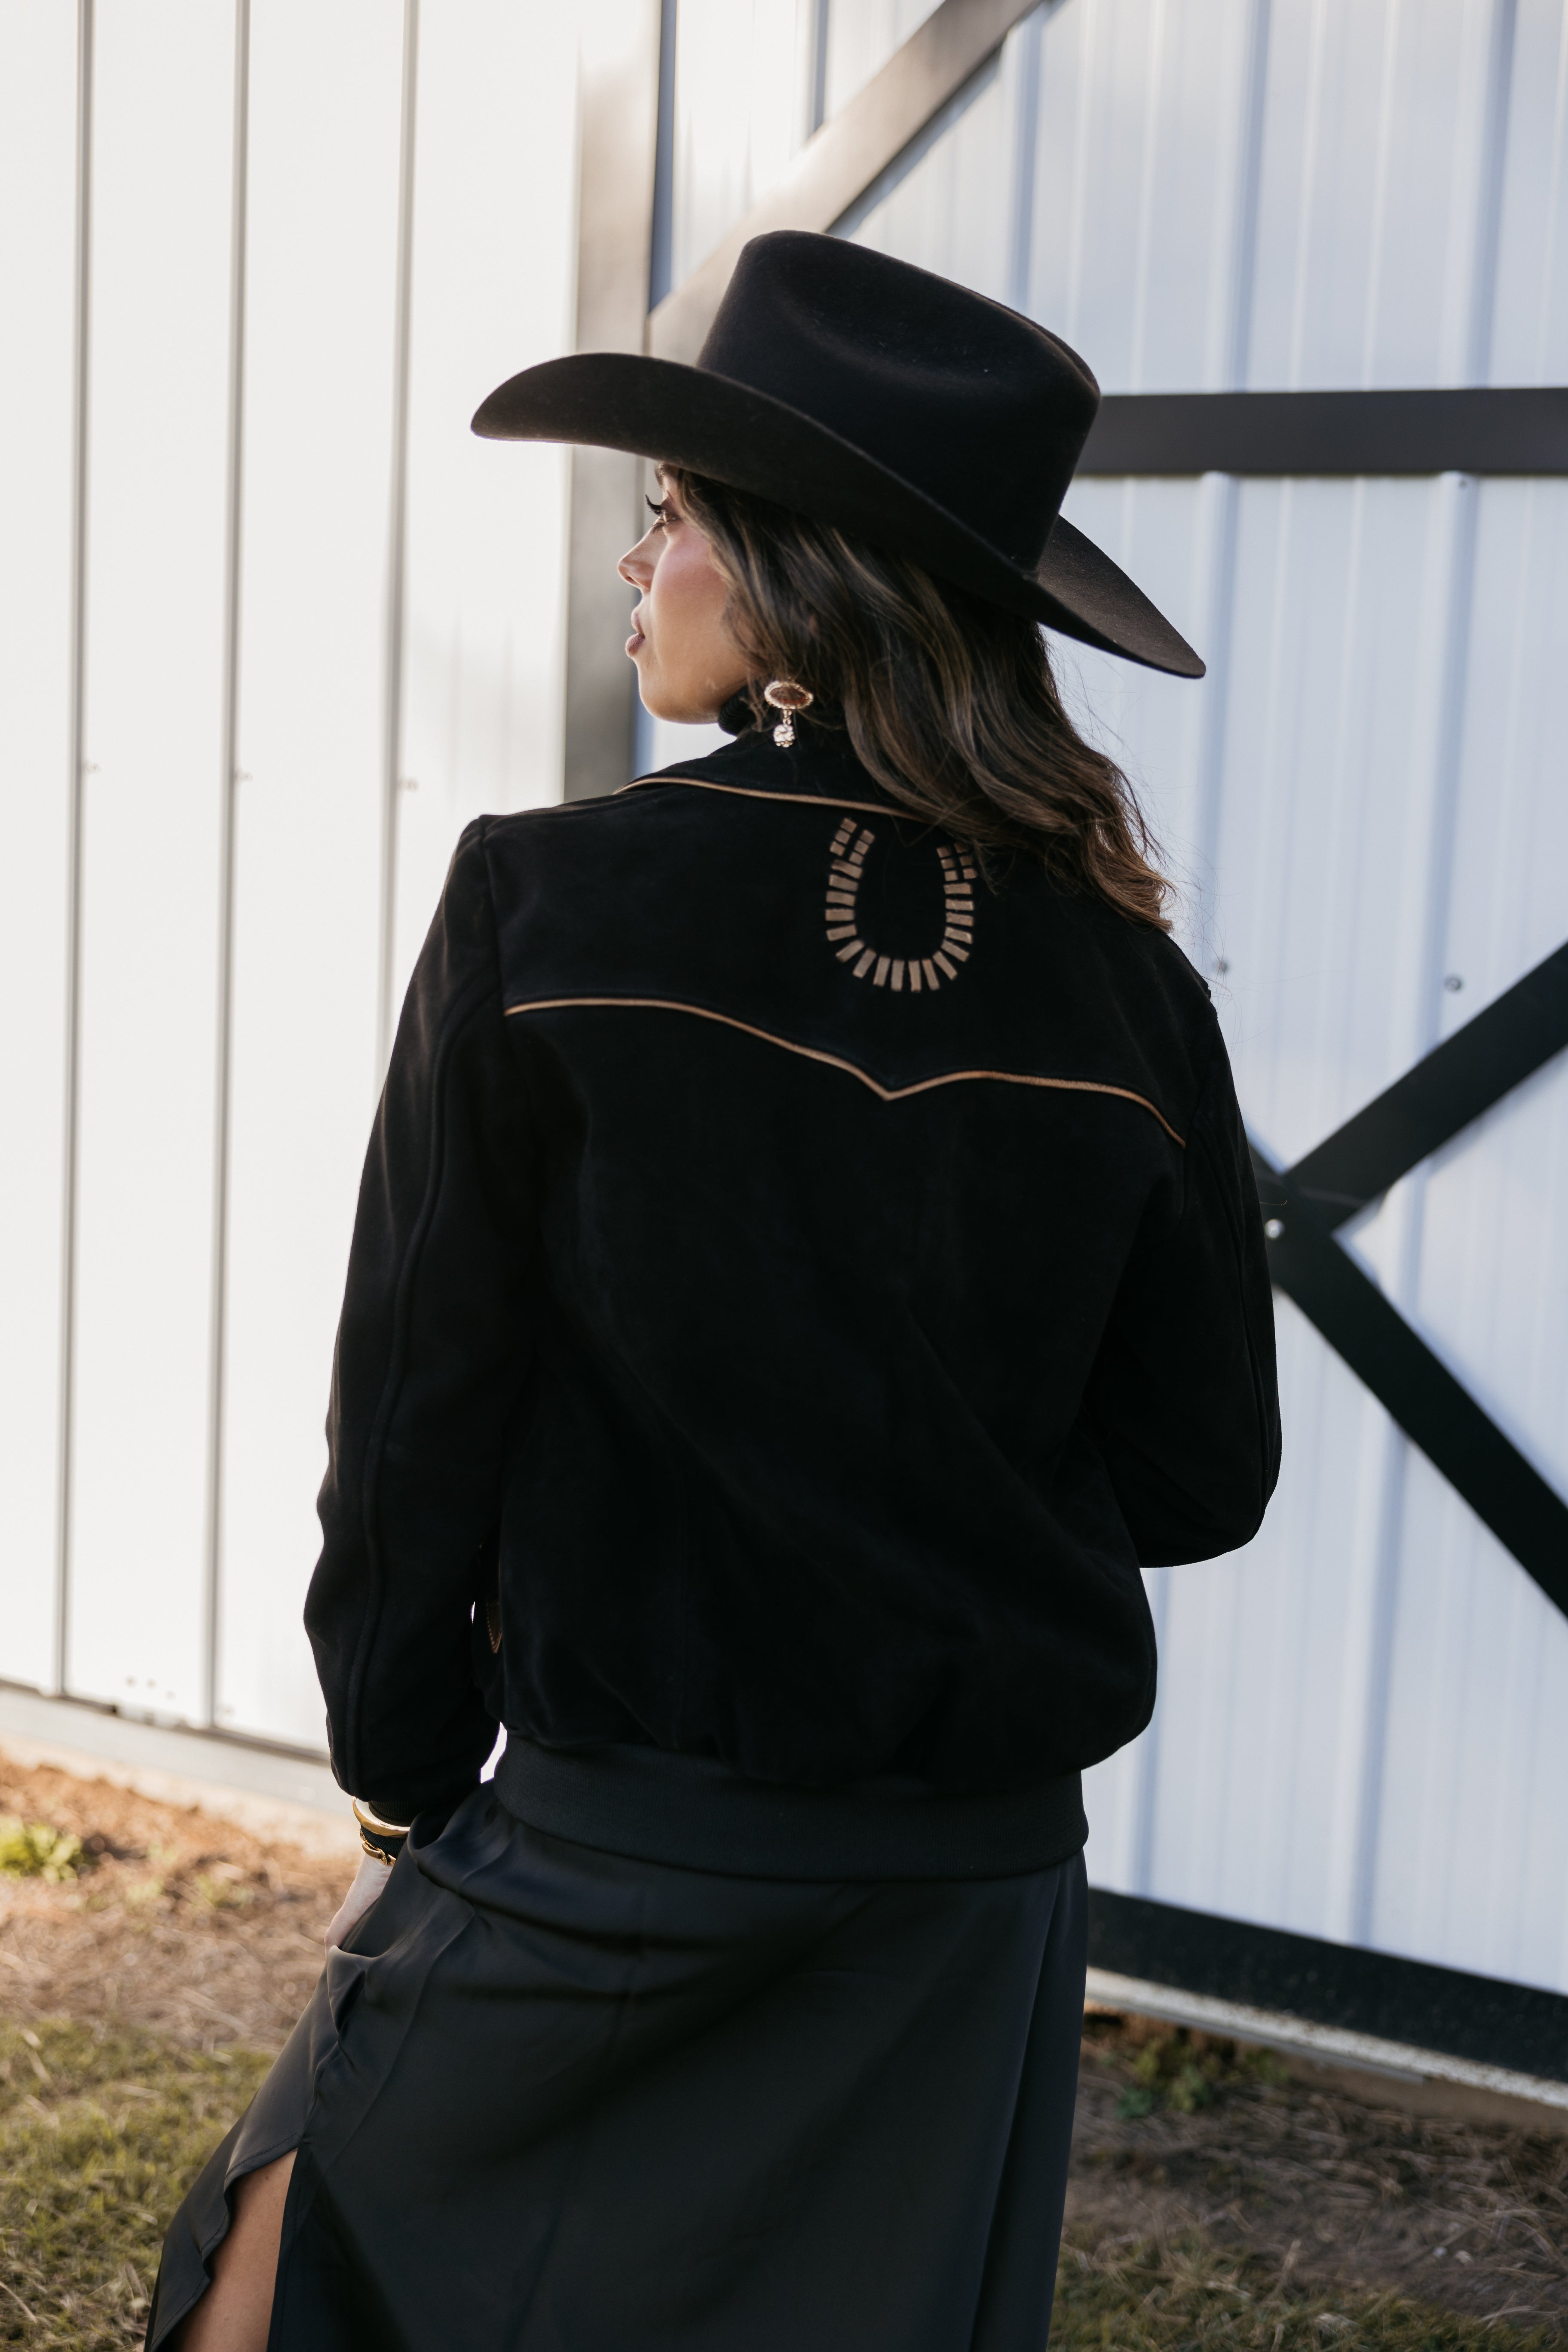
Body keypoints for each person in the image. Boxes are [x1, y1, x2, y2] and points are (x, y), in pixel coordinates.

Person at [147, 230, 1278, 2352]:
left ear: (784, 575)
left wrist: (404, 1777)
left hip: (616, 1850)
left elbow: (415, 1419)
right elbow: (1204, 1476)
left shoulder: (549, 899)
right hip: (964, 1893)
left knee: (269, 2295)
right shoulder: (1135, 988)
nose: (635, 559)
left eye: (666, 513)